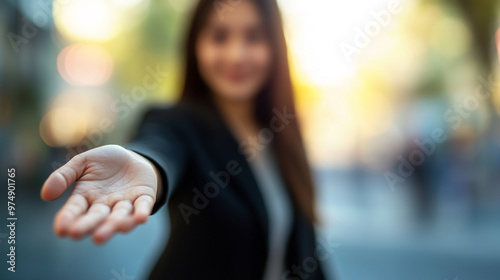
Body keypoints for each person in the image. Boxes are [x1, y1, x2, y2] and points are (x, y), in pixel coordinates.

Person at [40, 0, 329, 279]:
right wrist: (147, 165)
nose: (236, 54)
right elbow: (161, 148)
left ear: (275, 46)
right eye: (219, 36)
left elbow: (308, 255)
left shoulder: (284, 134)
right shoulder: (176, 124)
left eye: (253, 36)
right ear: (196, 46)